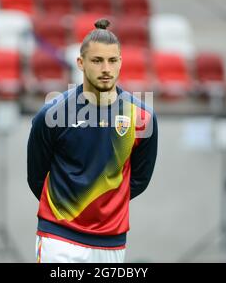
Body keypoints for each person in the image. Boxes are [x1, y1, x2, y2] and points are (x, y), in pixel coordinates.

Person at [27, 19, 158, 263]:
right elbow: (36, 176)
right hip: (58, 237)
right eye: (97, 61)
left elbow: (139, 179)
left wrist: (107, 203)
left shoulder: (142, 118)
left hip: (111, 242)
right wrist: (67, 209)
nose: (106, 68)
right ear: (80, 63)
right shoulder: (52, 115)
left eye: (112, 60)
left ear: (121, 62)